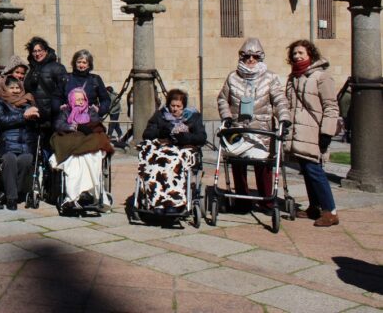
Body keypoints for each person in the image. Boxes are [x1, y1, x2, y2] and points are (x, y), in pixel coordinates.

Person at [217, 38, 291, 210]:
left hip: (262, 129)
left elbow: (279, 100)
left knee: (264, 166)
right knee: (237, 164)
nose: (251, 60)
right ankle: (242, 201)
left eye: (255, 57)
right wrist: (226, 116)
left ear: (260, 58)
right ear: (241, 57)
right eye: (247, 56)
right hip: (238, 128)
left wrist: (284, 118)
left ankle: (267, 201)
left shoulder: (270, 77)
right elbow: (222, 99)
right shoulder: (232, 77)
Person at [285, 40, 342, 227]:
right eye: (294, 53)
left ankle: (330, 211)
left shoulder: (321, 76)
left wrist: (326, 133)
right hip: (297, 132)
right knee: (306, 170)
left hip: (314, 132)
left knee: (314, 170)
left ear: (310, 54)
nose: (297, 56)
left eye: (301, 53)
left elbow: (331, 106)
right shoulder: (293, 77)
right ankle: (314, 207)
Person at [139, 89, 207, 214]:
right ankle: (157, 202)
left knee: (174, 162)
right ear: (168, 105)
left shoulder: (193, 117)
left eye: (178, 106)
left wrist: (187, 137)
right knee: (156, 164)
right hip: (163, 148)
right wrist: (160, 132)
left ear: (184, 106)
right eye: (172, 105)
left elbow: (202, 137)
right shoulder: (159, 116)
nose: (175, 109)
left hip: (184, 149)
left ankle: (174, 203)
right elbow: (147, 134)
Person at [51, 87, 114, 210]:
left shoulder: (91, 111)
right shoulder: (66, 111)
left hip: (88, 143)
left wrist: (87, 127)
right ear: (71, 100)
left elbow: (98, 124)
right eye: (77, 99)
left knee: (91, 156)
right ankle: (73, 196)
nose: (80, 102)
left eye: (82, 99)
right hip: (73, 143)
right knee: (74, 161)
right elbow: (58, 125)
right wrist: (73, 127)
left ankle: (89, 192)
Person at [0, 76, 40, 210]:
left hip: (26, 144)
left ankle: (11, 192)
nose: (15, 90)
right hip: (7, 144)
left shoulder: (28, 103)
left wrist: (35, 117)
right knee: (10, 160)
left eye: (17, 88)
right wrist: (24, 116)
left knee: (26, 160)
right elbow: (3, 120)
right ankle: (12, 198)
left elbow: (35, 125)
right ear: (5, 89)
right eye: (11, 88)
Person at [54, 49, 110, 123]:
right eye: (79, 62)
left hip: (90, 119)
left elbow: (105, 99)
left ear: (89, 65)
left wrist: (100, 109)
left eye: (84, 62)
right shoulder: (65, 78)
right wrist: (59, 107)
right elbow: (56, 97)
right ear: (74, 63)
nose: (81, 65)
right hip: (68, 119)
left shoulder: (95, 79)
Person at [24, 37, 66, 131]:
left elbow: (64, 90)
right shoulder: (29, 69)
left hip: (53, 116)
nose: (37, 54)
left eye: (40, 50)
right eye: (34, 51)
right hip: (33, 115)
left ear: (46, 51)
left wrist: (57, 108)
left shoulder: (57, 68)